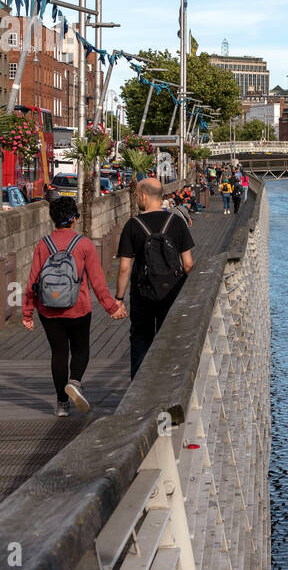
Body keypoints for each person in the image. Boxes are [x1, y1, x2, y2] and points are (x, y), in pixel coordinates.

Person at [21, 195, 127, 416]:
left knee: (58, 353)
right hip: (78, 307)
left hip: (48, 308)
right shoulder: (84, 244)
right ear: (74, 219)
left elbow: (33, 280)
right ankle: (75, 383)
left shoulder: (43, 244)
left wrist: (27, 312)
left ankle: (61, 404)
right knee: (80, 349)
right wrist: (112, 307)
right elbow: (97, 282)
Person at [117, 178, 195, 379]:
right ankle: (166, 385)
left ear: (143, 195)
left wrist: (118, 299)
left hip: (142, 293)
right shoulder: (177, 221)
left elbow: (125, 267)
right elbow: (188, 264)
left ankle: (138, 388)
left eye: (136, 195)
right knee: (168, 339)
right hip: (171, 292)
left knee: (141, 338)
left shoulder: (133, 225)